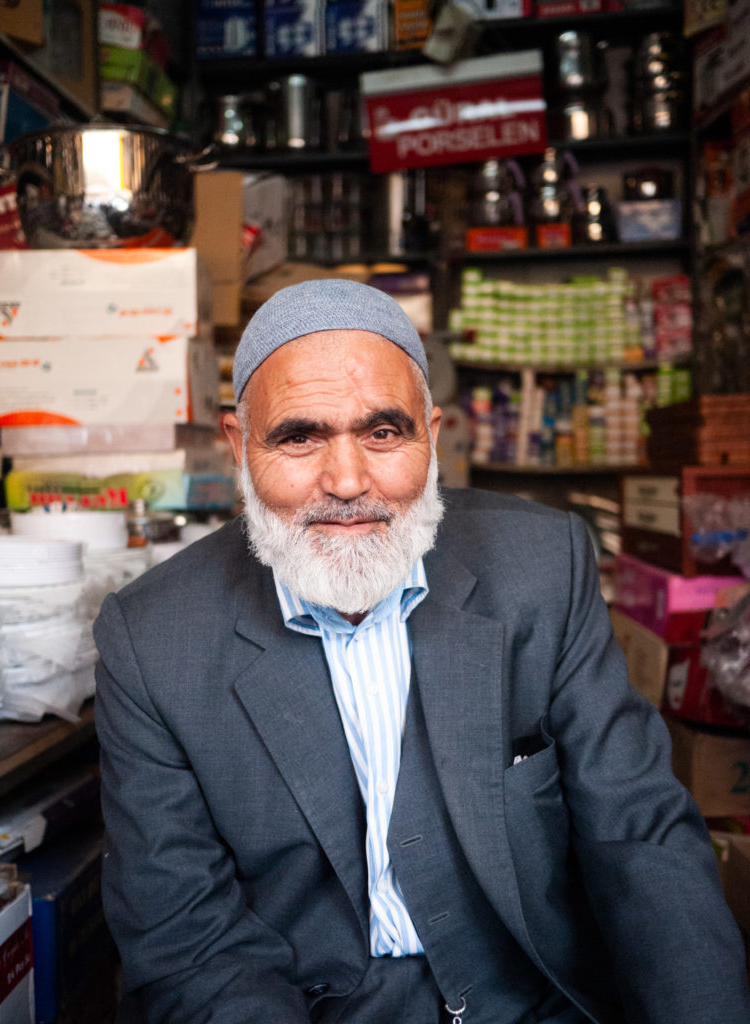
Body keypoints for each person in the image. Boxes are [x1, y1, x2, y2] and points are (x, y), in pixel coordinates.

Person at [94, 279, 750, 1024]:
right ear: (238, 445)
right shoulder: (151, 641)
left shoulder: (542, 567)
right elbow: (191, 942)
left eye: (383, 433)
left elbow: (639, 835)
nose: (347, 482)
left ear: (432, 438)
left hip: (535, 1003)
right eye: (300, 436)